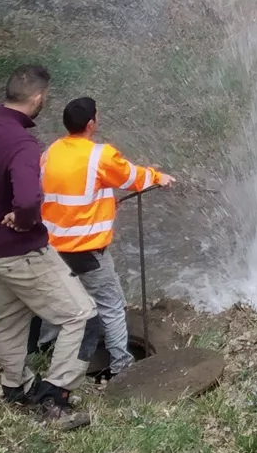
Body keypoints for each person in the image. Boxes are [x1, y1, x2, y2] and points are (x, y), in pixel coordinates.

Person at [0, 64, 100, 426]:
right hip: (19, 251)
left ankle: (16, 387)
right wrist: (23, 218)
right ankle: (55, 398)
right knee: (83, 316)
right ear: (38, 98)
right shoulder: (21, 142)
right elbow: (27, 199)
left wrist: (10, 211)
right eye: (46, 98)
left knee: (11, 318)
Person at [39, 97, 174, 379]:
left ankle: (46, 352)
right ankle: (121, 368)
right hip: (87, 251)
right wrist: (157, 177)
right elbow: (131, 177)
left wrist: (105, 203)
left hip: (51, 248)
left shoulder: (51, 152)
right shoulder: (99, 155)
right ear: (91, 124)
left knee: (60, 303)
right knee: (111, 305)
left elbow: (70, 195)